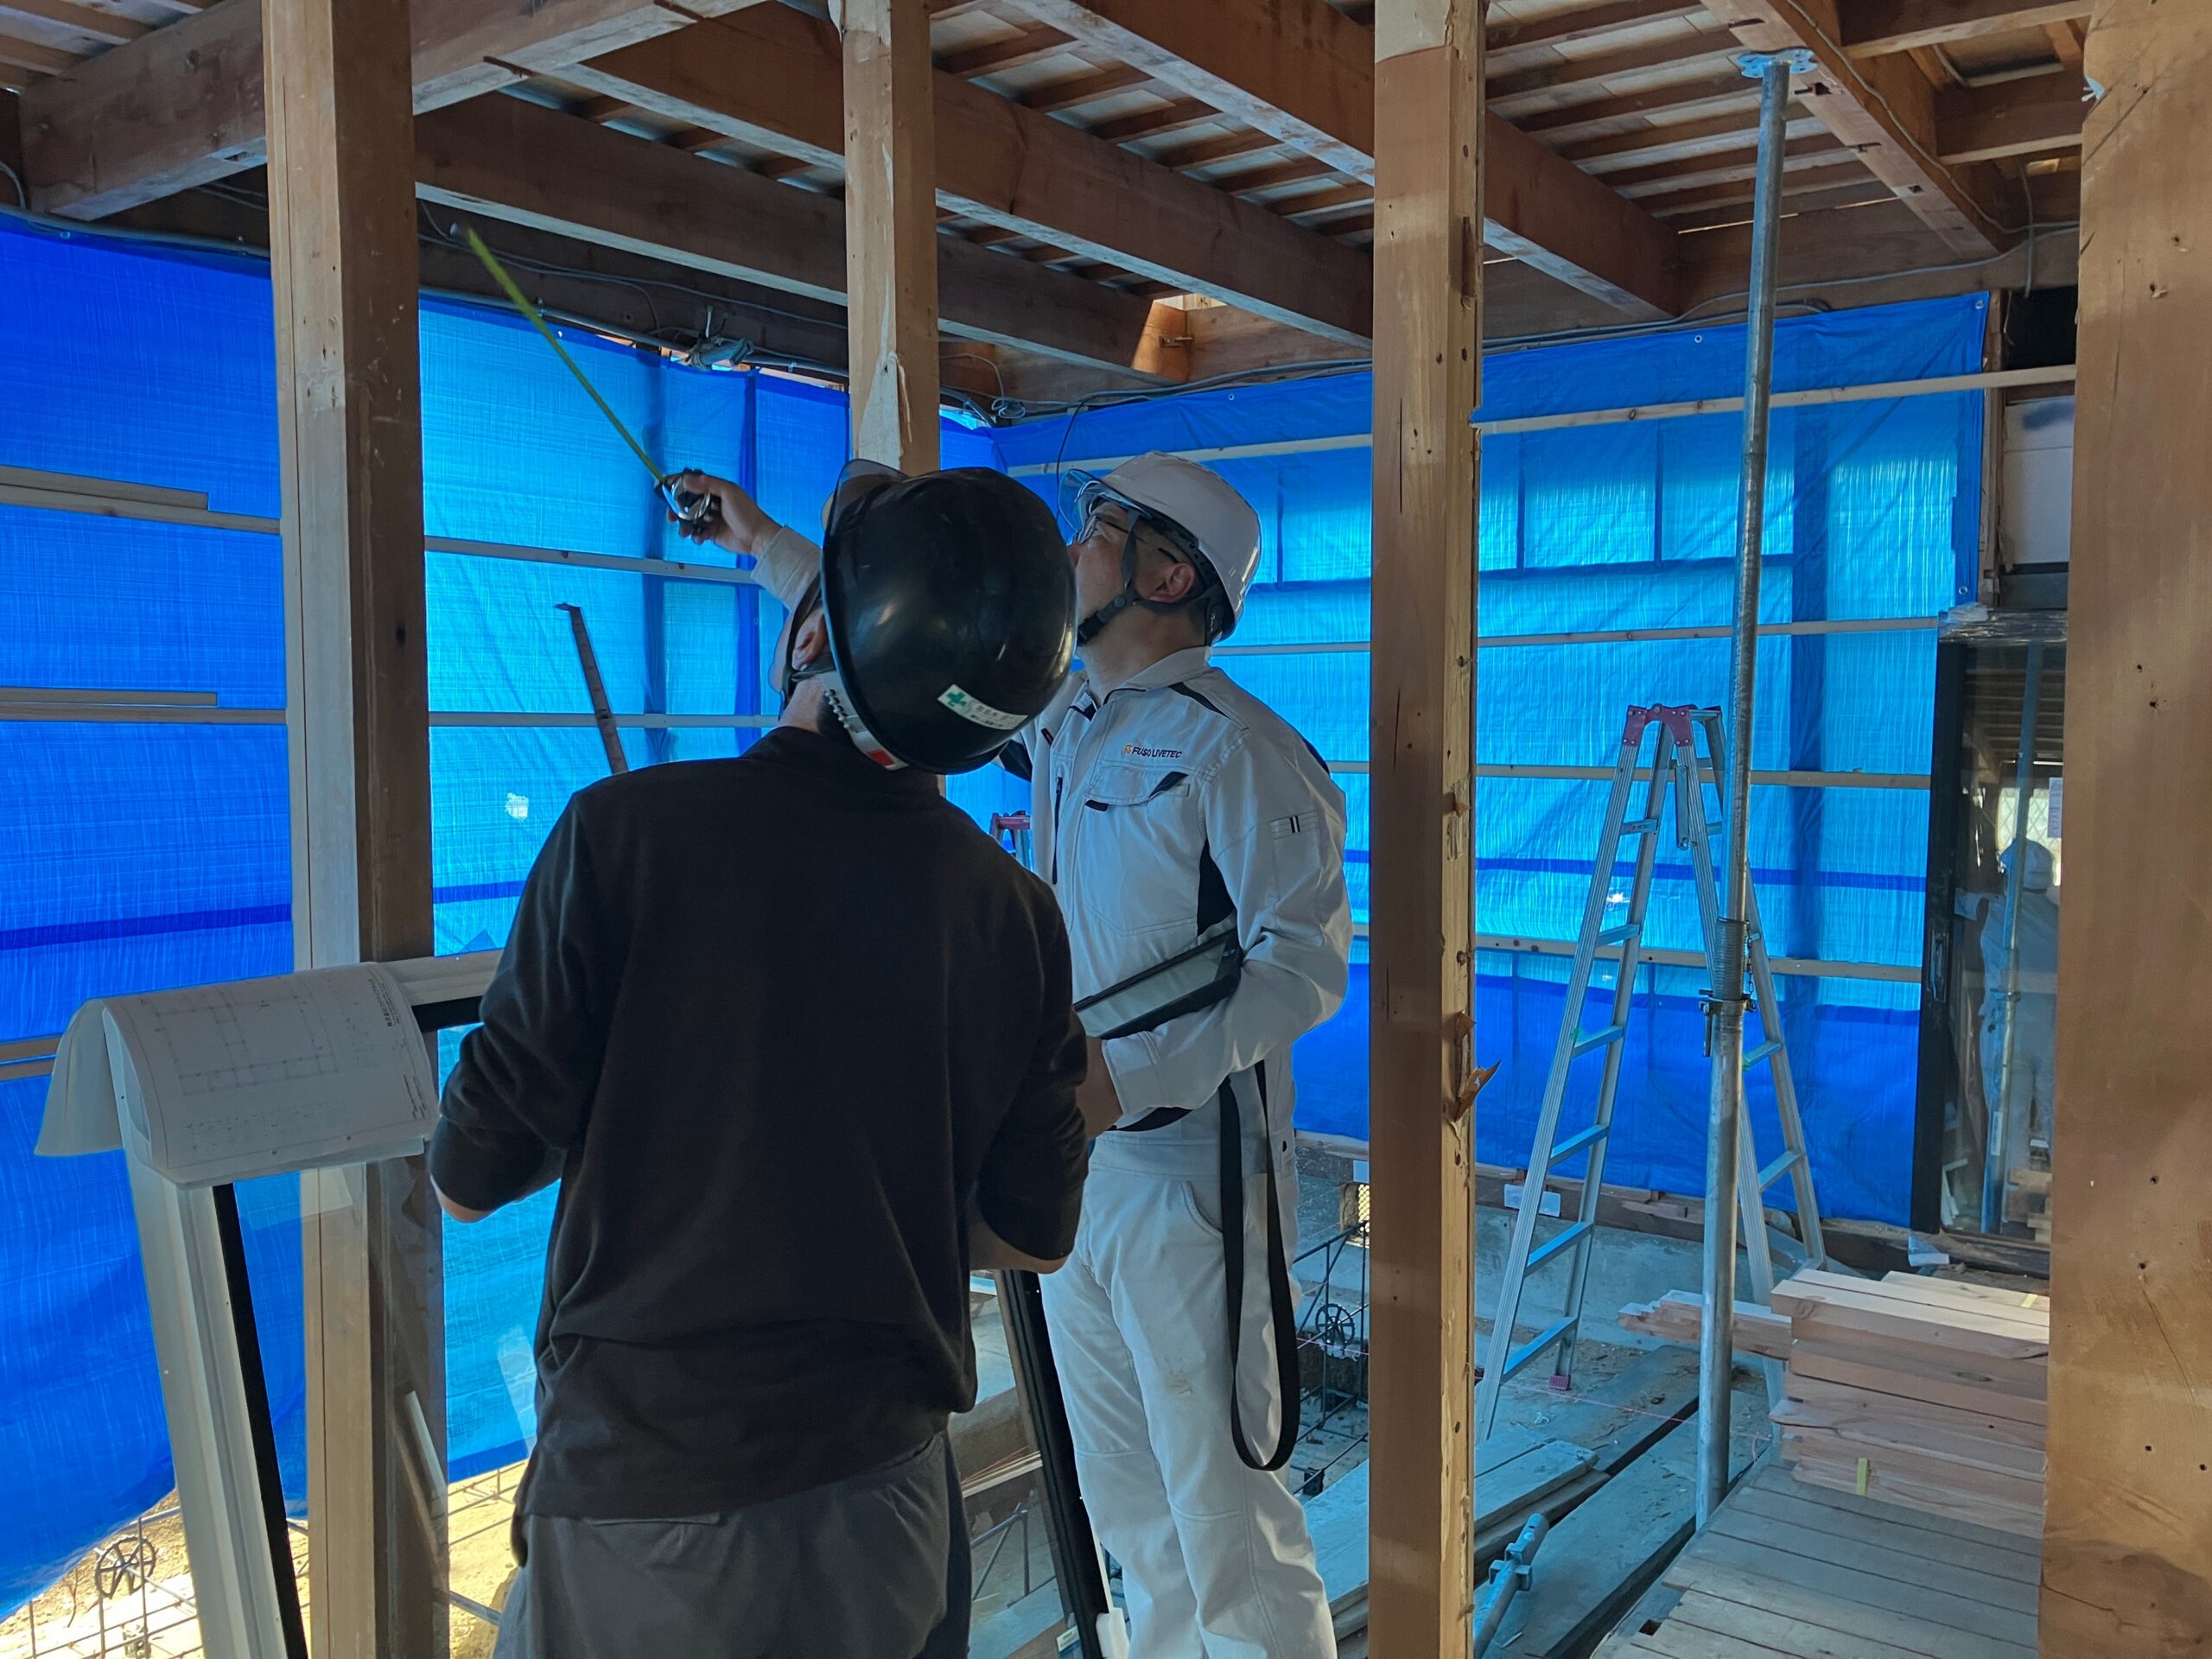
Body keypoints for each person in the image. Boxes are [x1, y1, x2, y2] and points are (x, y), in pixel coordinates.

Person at [681, 452, 1353, 1659]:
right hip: (1072, 1176)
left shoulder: (1240, 749)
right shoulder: (1068, 717)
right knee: (1126, 1500)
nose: (1069, 550)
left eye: (1096, 530)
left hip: (1190, 1183)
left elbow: (1300, 969)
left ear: (1166, 574)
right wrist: (770, 541)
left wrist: (1124, 1082)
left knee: (1226, 1520)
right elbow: (898, 636)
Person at [429, 466, 1091, 1659]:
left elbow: (468, 1180)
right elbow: (1034, 1237)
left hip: (651, 1502)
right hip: (889, 1500)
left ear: (807, 637)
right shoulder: (1014, 912)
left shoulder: (625, 835)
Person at [1959, 837, 2059, 1169]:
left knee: (2009, 1127)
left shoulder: (1993, 910)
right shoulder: (2063, 917)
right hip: (2053, 1033)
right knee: (2057, 1122)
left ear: (2011, 876)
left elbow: (1950, 900)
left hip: (2008, 1031)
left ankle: (2011, 1194)